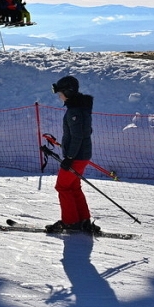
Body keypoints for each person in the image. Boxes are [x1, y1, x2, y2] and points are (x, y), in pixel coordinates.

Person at [46, 76, 101, 234]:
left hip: (76, 157)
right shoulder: (82, 108)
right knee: (73, 187)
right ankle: (83, 220)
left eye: (60, 93)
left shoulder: (74, 111)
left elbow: (78, 136)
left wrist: (70, 157)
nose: (59, 96)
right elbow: (86, 131)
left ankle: (70, 222)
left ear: (68, 92)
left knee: (62, 186)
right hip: (82, 155)